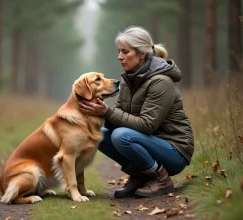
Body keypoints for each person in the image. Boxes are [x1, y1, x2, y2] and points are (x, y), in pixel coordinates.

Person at [79, 26, 194, 198]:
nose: (120, 57)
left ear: (142, 54)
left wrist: (108, 112)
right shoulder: (128, 79)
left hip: (174, 150)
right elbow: (116, 118)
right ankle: (140, 176)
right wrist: (101, 112)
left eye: (125, 52)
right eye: (119, 51)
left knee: (121, 136)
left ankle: (161, 179)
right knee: (96, 134)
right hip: (149, 143)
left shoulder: (161, 82)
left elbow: (147, 125)